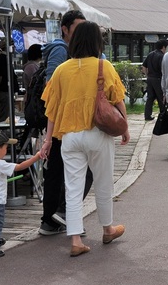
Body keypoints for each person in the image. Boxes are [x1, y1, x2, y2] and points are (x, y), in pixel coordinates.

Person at [40, 21, 129, 257]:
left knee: (73, 187)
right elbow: (117, 98)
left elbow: (52, 109)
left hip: (69, 137)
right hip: (98, 134)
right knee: (103, 181)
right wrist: (125, 127)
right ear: (96, 41)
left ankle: (76, 240)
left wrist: (48, 140)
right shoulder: (103, 66)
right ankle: (107, 229)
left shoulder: (61, 70)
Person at [38, 9, 89, 236]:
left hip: (65, 123)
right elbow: (51, 89)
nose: (82, 33)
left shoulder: (74, 51)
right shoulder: (61, 49)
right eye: (77, 28)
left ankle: (53, 220)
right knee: (64, 172)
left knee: (61, 171)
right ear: (65, 29)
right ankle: (57, 216)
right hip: (61, 122)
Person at [0, 130, 41, 259]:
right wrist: (36, 157)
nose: (6, 151)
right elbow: (20, 167)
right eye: (6, 148)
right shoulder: (0, 164)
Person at [0, 38, 19, 122]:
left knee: (7, 116)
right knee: (5, 117)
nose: (14, 48)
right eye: (13, 46)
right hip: (4, 92)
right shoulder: (2, 59)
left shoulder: (5, 58)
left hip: (6, 91)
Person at [142, 39, 168, 121]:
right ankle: (163, 115)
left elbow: (144, 67)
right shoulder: (162, 56)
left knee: (150, 98)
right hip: (158, 79)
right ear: (163, 47)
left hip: (150, 78)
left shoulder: (150, 54)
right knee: (161, 98)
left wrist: (147, 75)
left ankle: (147, 115)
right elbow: (164, 69)